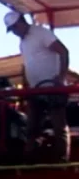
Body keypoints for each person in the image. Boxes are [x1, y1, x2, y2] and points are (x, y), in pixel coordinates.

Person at [5, 10, 71, 161]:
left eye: (15, 27)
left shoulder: (41, 33)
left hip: (53, 88)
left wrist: (60, 79)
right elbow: (29, 65)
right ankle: (32, 158)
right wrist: (27, 87)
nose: (15, 32)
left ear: (22, 22)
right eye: (12, 29)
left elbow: (64, 51)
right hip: (36, 89)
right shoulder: (22, 43)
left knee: (58, 124)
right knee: (32, 126)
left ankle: (61, 159)